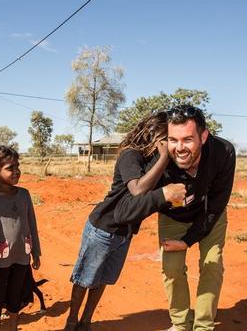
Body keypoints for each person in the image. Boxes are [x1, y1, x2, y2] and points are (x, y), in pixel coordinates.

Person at [64, 111, 187, 331]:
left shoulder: (155, 162)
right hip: (103, 228)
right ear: (153, 134)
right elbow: (138, 190)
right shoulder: (130, 155)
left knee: (102, 279)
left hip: (124, 233)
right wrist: (164, 157)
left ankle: (86, 322)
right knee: (85, 278)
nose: (171, 143)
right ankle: (71, 322)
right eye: (168, 137)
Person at [159, 105, 236, 331]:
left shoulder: (223, 152)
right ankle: (180, 324)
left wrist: (188, 240)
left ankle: (203, 326)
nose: (179, 148)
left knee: (211, 264)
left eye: (188, 139)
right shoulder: (160, 158)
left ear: (203, 136)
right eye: (173, 140)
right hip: (173, 215)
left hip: (209, 213)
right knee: (171, 269)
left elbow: (217, 203)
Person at [0, 145, 42, 331]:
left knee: (16, 295)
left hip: (22, 256)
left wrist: (36, 251)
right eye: (10, 168)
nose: (16, 171)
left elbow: (32, 223)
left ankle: (13, 327)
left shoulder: (24, 194)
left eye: (17, 166)